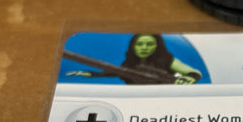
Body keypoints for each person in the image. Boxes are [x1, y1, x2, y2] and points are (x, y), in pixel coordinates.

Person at [66, 34, 201, 85]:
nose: (144, 48)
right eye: (140, 44)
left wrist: (190, 78)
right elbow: (112, 72)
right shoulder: (129, 64)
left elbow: (194, 73)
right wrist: (87, 73)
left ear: (157, 46)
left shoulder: (167, 60)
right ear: (133, 46)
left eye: (149, 44)